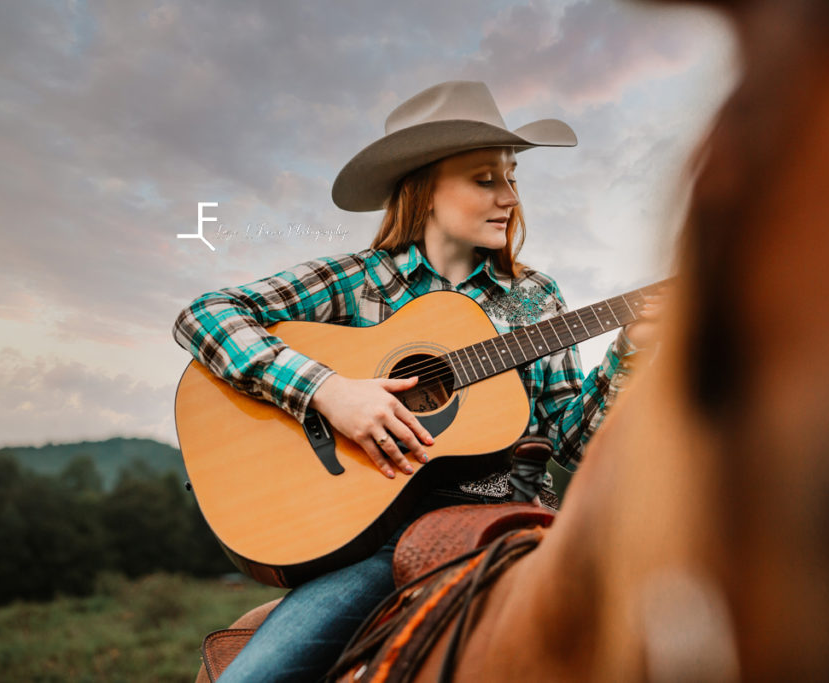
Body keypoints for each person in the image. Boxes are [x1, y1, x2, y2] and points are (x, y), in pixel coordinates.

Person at [173, 80, 662, 681]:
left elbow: (573, 443)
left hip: (523, 524)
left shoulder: (536, 298)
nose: (509, 196)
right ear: (425, 188)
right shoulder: (359, 280)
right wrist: (331, 391)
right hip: (389, 540)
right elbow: (206, 315)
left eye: (513, 178)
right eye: (486, 179)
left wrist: (627, 355)